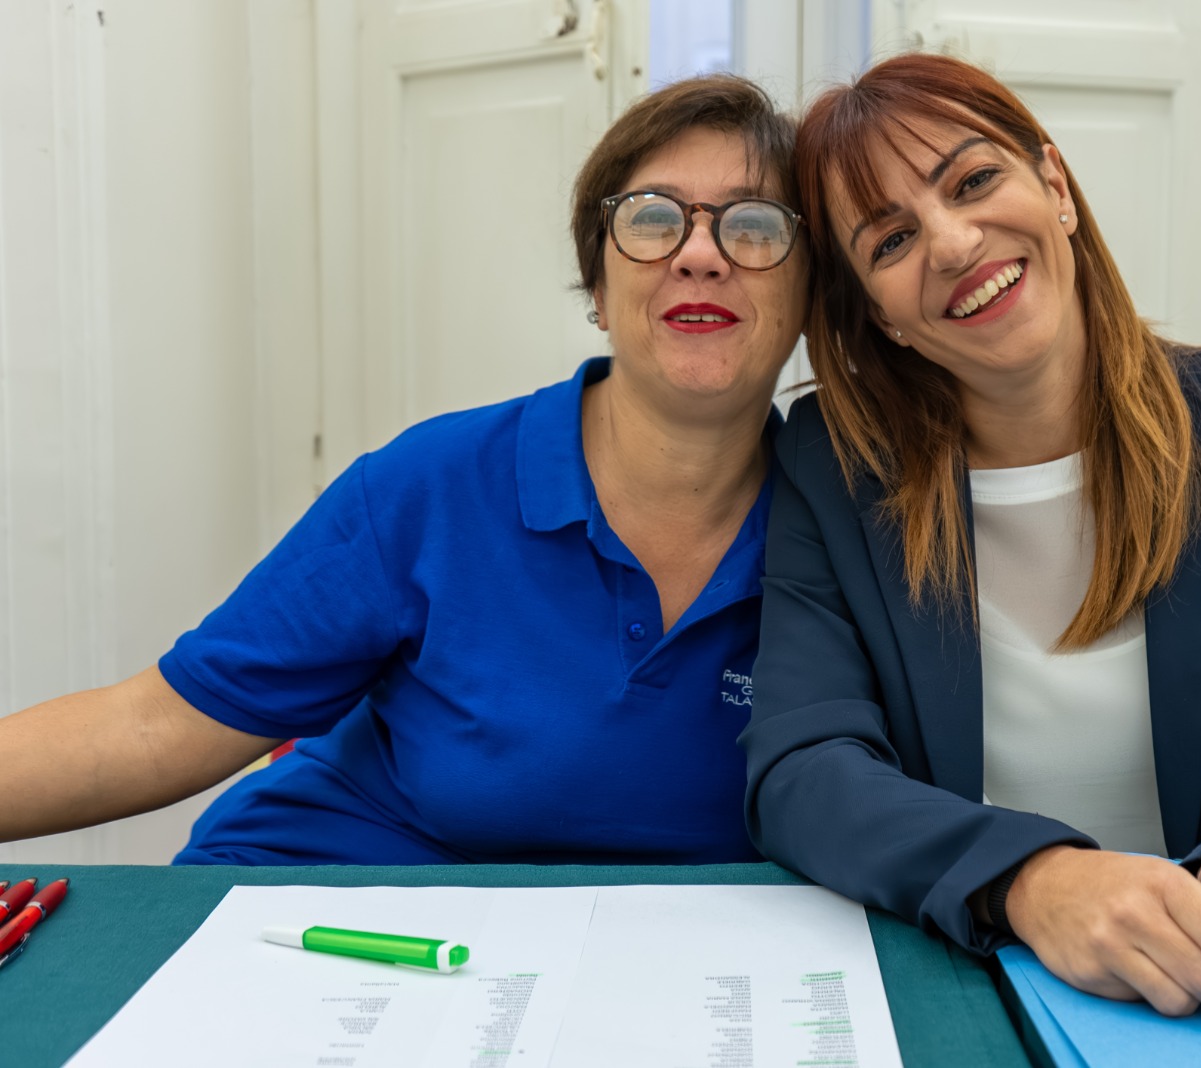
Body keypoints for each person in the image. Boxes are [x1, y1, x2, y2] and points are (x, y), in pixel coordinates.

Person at [741, 53, 1201, 1017]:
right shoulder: (832, 464)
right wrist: (1030, 881)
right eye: (891, 240)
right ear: (879, 316)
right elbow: (803, 769)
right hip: (976, 972)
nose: (953, 242)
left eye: (973, 181)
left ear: (1055, 186)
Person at [0, 73, 809, 866]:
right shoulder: (432, 488)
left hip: (656, 941)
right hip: (327, 901)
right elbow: (156, 723)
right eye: (653, 217)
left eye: (755, 227)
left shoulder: (844, 524)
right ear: (597, 284)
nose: (700, 254)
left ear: (812, 294)